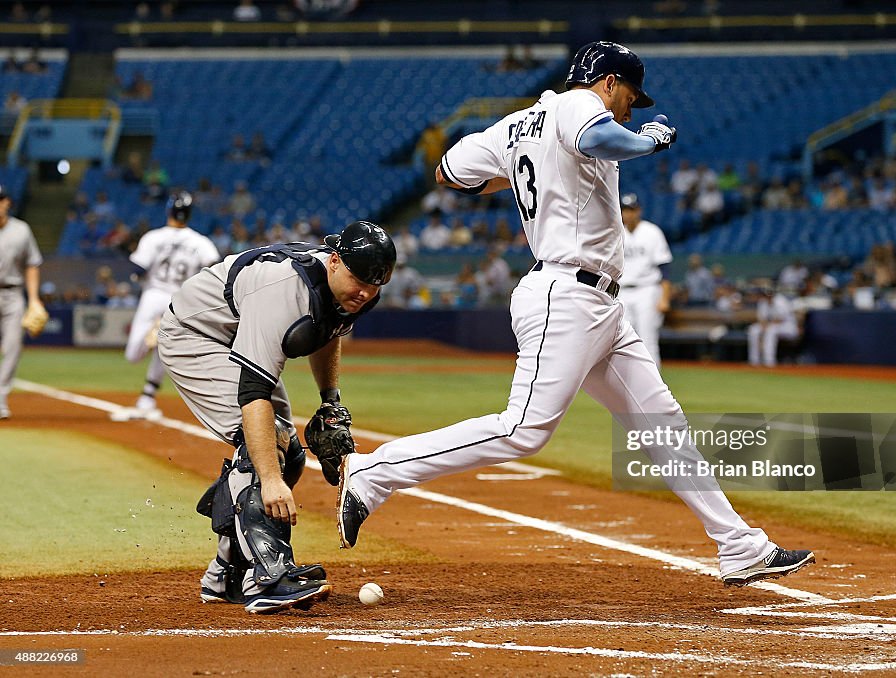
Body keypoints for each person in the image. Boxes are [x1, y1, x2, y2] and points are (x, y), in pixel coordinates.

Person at [337, 42, 813, 588]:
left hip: (601, 304)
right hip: (565, 294)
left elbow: (448, 173)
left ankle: (740, 547)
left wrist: (520, 170)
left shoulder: (517, 124)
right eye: (629, 97)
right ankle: (376, 472)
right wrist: (648, 138)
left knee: (661, 423)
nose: (629, 110)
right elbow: (598, 135)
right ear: (608, 82)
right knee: (523, 431)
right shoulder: (577, 106)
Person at [157, 221, 396, 614]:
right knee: (268, 443)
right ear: (334, 262)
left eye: (376, 283)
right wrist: (270, 480)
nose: (367, 292)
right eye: (358, 279)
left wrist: (329, 401)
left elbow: (328, 331)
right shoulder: (284, 292)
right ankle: (267, 576)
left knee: (291, 454)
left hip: (231, 331)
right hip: (194, 335)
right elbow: (253, 395)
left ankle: (227, 573)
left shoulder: (353, 291)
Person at [111, 192, 221, 421]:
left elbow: (137, 270)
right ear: (189, 214)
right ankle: (160, 336)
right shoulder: (201, 242)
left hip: (153, 295)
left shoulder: (153, 237)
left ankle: (147, 397)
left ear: (169, 211)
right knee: (166, 346)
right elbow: (214, 271)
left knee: (133, 355)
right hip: (181, 300)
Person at [0, 184, 45, 420]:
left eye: (0, 199)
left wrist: (34, 299)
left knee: (13, 346)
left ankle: (0, 398)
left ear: (7, 202)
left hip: (12, 293)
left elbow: (32, 264)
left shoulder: (21, 230)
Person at [618, 193, 673, 369]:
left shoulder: (652, 232)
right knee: (622, 339)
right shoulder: (616, 233)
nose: (629, 214)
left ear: (639, 210)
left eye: (632, 209)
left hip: (647, 290)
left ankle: (654, 382)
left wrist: (664, 297)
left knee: (647, 338)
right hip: (622, 291)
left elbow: (664, 268)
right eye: (625, 210)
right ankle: (628, 381)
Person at [746, 285, 800, 368]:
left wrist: (764, 333)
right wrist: (762, 331)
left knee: (771, 330)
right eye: (765, 294)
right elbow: (761, 319)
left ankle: (769, 361)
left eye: (769, 294)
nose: (768, 296)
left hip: (787, 326)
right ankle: (754, 361)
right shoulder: (763, 301)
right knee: (753, 329)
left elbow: (780, 319)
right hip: (771, 325)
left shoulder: (781, 301)